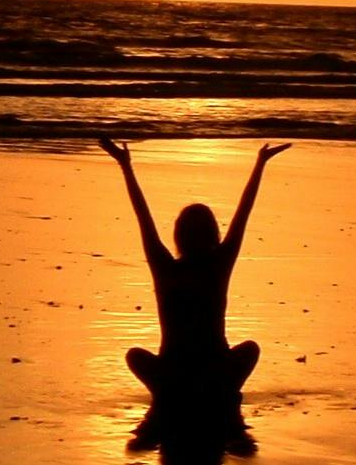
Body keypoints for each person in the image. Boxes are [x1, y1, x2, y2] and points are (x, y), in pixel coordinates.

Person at [100, 136, 289, 409]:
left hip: (172, 373)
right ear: (213, 233)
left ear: (179, 234)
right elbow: (243, 213)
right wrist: (259, 164)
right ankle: (214, 391)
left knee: (135, 356)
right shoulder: (218, 265)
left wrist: (125, 166)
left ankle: (171, 393)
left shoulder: (166, 267)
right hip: (215, 372)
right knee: (250, 349)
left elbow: (143, 216)